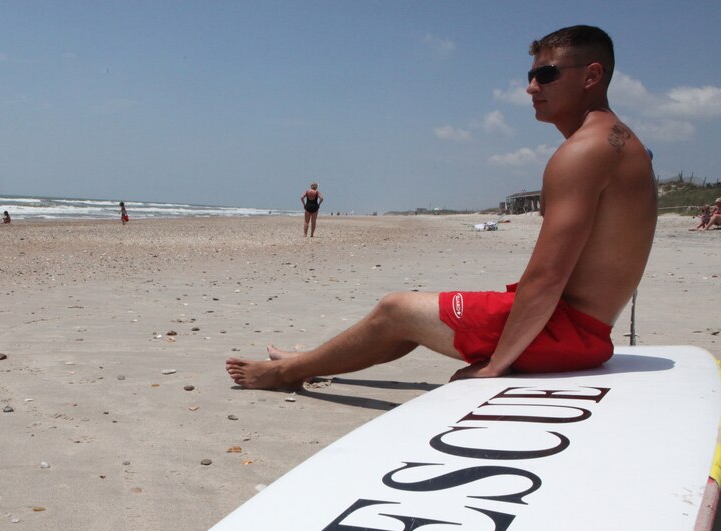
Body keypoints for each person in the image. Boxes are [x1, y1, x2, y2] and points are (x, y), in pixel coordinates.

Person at [226, 25, 656, 390]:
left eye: (546, 74)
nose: (530, 87)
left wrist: (496, 367)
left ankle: (284, 373)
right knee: (413, 315)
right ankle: (308, 361)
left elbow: (547, 277)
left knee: (397, 309)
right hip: (583, 331)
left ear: (592, 75)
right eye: (531, 74)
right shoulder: (622, 143)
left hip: (564, 334)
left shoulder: (583, 152)